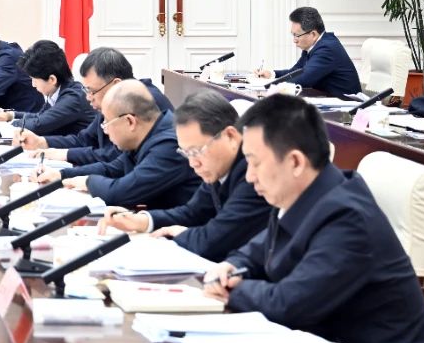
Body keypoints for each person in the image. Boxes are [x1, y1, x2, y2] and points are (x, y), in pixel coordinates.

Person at [204, 94, 424, 343]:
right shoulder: (300, 194)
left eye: (255, 163)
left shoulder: (348, 219)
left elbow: (290, 304)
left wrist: (233, 289)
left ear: (295, 162)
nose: (250, 176)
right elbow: (260, 250)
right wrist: (233, 265)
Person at [99, 89, 272, 260]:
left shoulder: (254, 173)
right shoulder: (218, 166)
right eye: (186, 153)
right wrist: (141, 220)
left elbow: (214, 241)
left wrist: (182, 234)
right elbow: (193, 212)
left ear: (230, 136)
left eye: (196, 151)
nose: (192, 163)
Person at [43, 80, 200, 210]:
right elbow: (112, 169)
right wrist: (62, 175)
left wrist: (88, 182)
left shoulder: (169, 144)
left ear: (130, 121)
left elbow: (123, 192)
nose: (105, 130)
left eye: (106, 123)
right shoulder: (149, 133)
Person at [14, 47, 172, 165]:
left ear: (115, 84)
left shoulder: (144, 101)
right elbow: (84, 140)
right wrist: (42, 142)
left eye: (92, 91)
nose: (88, 98)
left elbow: (113, 157)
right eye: (86, 90)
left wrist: (62, 156)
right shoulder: (113, 99)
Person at [0, 39, 94, 136]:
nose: (33, 85)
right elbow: (40, 116)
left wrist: (7, 126)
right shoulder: (59, 91)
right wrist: (10, 115)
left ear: (52, 79)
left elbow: (38, 125)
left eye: (34, 79)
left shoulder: (73, 98)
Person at [254, 6, 360, 96]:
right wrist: (272, 74)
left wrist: (271, 87)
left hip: (346, 107)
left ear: (313, 34)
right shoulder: (315, 45)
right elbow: (295, 72)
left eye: (297, 35)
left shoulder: (327, 48)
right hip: (328, 100)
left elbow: (304, 79)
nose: (294, 40)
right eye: (293, 35)